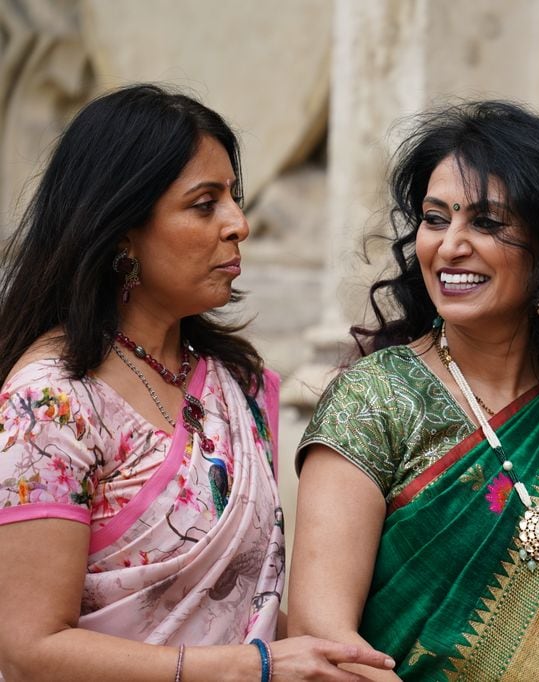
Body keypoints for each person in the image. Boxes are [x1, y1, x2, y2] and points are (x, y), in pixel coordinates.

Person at [287, 101, 539, 681]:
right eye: (434, 218)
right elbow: (323, 643)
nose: (450, 245)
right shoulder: (373, 402)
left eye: (486, 222)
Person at [0, 85, 395, 682]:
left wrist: (333, 658)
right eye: (204, 204)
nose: (239, 223)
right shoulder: (52, 403)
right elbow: (27, 647)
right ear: (121, 230)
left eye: (233, 197)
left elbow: (233, 608)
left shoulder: (238, 383)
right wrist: (254, 667)